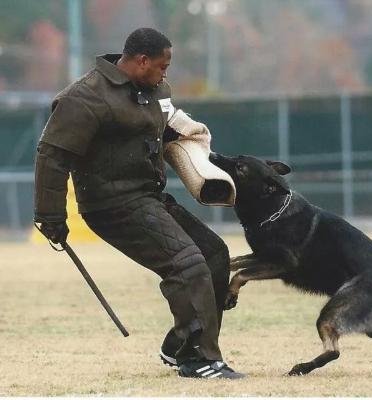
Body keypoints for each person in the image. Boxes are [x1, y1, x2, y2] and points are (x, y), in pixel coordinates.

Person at [33, 27, 244, 379]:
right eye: (162, 66)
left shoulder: (157, 90)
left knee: (214, 254)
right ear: (142, 60)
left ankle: (179, 345)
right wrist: (49, 215)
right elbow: (52, 156)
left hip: (149, 196)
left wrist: (198, 146)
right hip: (111, 204)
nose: (166, 73)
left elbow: (165, 125)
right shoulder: (85, 98)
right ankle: (199, 359)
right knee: (187, 264)